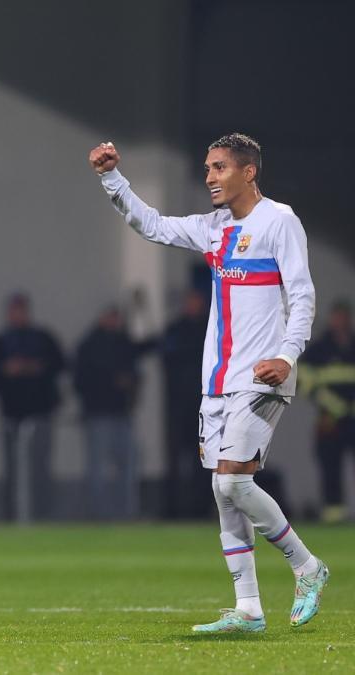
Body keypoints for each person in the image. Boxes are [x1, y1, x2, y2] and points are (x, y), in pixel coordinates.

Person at [90, 134, 327, 634]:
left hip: (263, 375)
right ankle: (248, 609)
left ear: (248, 172)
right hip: (217, 381)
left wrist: (286, 356)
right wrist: (112, 178)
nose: (209, 177)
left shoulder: (279, 221)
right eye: (206, 168)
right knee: (225, 493)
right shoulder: (215, 229)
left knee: (232, 481)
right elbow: (151, 224)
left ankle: (307, 567)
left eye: (219, 167)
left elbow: (302, 296)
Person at [0, 293, 64, 520]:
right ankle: (12, 514)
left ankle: (42, 513)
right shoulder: (0, 342)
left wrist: (31, 368)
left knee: (40, 468)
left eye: (21, 310)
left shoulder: (43, 338)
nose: (18, 315)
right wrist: (7, 371)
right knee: (13, 470)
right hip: (11, 415)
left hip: (40, 413)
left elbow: (58, 364)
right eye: (14, 311)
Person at [73, 306, 142, 520]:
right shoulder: (90, 345)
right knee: (98, 468)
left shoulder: (122, 343)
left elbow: (136, 368)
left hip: (121, 413)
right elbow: (82, 379)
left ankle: (126, 511)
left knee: (128, 463)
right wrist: (111, 382)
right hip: (98, 413)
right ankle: (98, 512)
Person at [160, 288, 214, 518]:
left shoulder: (210, 328)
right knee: (174, 459)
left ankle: (200, 509)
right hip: (177, 406)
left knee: (202, 459)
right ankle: (173, 509)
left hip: (202, 405)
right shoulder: (175, 330)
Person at [299, 300, 355, 523]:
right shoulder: (320, 349)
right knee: (330, 465)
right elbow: (302, 377)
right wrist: (330, 405)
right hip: (329, 418)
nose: (340, 322)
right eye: (337, 317)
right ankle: (334, 515)